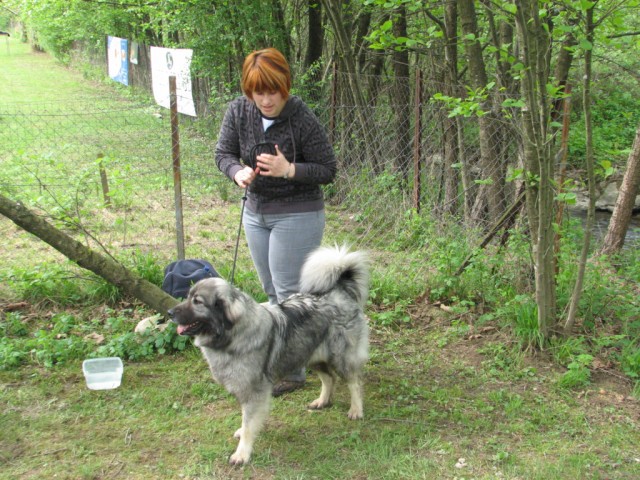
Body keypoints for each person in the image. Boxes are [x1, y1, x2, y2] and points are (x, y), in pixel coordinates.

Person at [215, 47, 337, 395]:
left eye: (273, 91)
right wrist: (236, 171)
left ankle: (295, 371)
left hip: (298, 212)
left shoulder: (301, 117)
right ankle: (289, 360)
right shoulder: (239, 111)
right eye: (258, 92)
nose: (266, 100)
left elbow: (328, 169)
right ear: (248, 90)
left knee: (289, 294)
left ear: (285, 86)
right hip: (256, 212)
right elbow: (222, 153)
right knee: (270, 292)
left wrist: (290, 170)